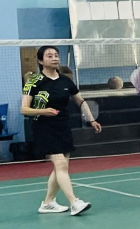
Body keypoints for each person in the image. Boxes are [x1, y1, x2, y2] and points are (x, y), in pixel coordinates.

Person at [23, 44, 102, 216]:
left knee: (61, 167)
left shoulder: (66, 81)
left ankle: (48, 203)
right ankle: (74, 202)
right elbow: (24, 109)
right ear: (40, 61)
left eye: (56, 55)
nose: (54, 58)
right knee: (60, 164)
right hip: (43, 127)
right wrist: (44, 111)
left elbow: (80, 101)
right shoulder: (33, 82)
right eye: (49, 56)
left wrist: (91, 119)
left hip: (63, 125)